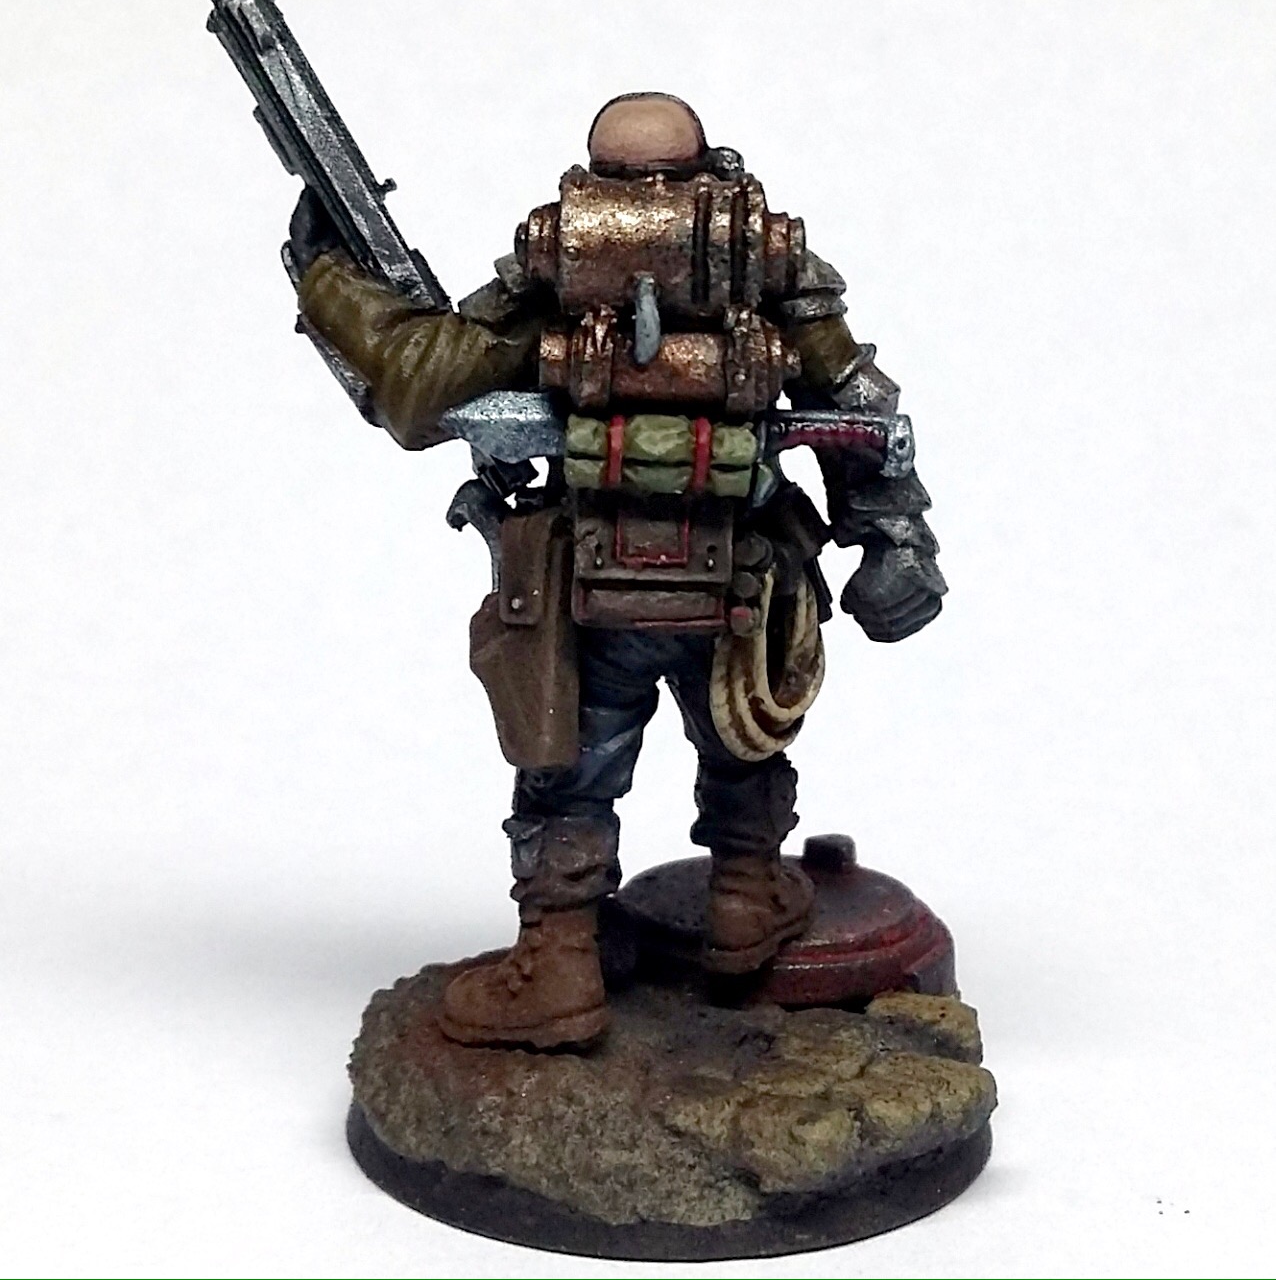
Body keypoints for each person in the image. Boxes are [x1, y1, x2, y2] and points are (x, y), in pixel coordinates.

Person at [288, 93, 945, 1048]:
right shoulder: (766, 267)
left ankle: (559, 957)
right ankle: (744, 896)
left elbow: (418, 382)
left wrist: (327, 280)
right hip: (739, 582)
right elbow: (861, 410)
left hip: (595, 592)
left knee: (572, 773)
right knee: (743, 735)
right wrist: (894, 537)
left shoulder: (564, 265)